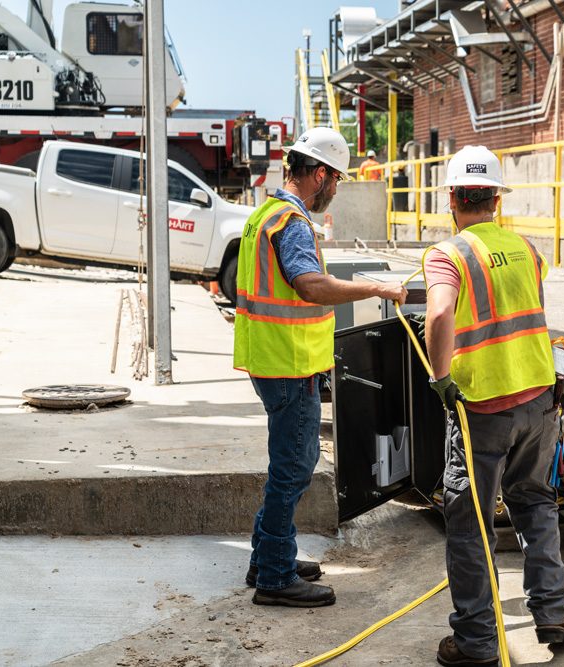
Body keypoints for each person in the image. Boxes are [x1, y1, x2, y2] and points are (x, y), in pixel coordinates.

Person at [233, 127, 407, 608]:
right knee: (293, 468)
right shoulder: (291, 221)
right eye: (337, 180)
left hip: (272, 359)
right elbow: (310, 286)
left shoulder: (266, 213)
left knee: (285, 466)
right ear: (319, 174)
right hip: (289, 363)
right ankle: (274, 577)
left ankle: (268, 558)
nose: (337, 189)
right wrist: (374, 289)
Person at [422, 146, 564, 666]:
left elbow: (441, 313)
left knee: (471, 525)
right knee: (535, 503)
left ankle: (477, 642)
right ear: (495, 198)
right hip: (539, 400)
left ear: (451, 197)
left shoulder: (448, 254)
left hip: (484, 409)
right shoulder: (527, 250)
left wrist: (439, 377)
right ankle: (553, 614)